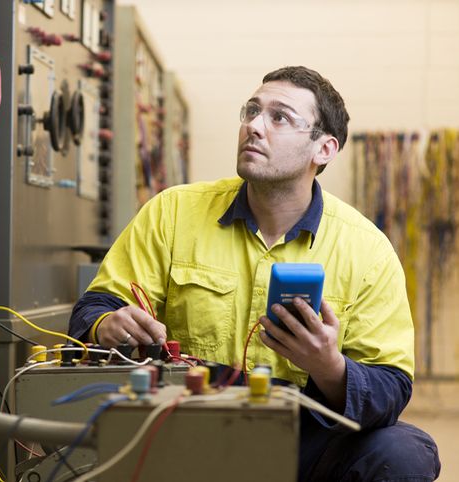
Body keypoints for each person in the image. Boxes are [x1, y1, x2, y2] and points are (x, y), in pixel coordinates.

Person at [68, 66, 441, 481]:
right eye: (251, 111)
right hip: (187, 423)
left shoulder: (366, 249)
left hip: (307, 439)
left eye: (279, 117)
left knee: (405, 452)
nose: (254, 127)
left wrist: (328, 367)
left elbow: (390, 387)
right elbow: (96, 306)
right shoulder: (172, 213)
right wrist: (105, 325)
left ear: (325, 149)